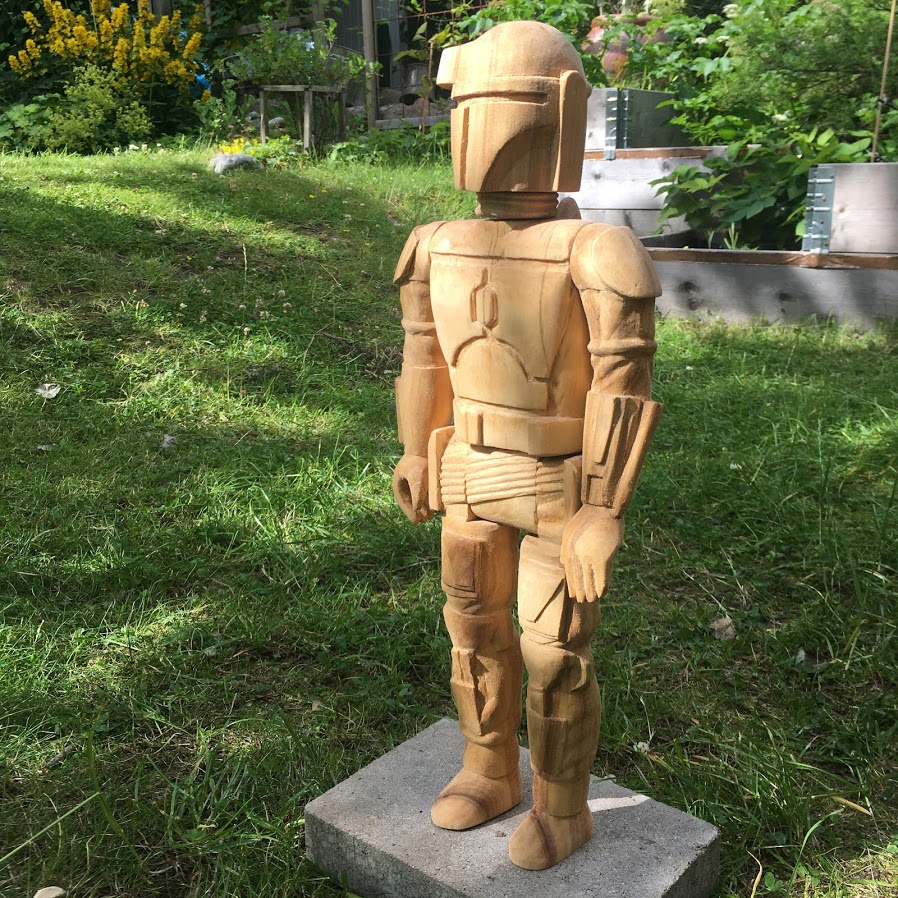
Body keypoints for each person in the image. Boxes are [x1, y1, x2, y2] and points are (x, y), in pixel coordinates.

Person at [392, 19, 662, 870]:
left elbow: (624, 385)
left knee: (554, 654)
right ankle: (487, 769)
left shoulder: (597, 251)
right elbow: (423, 358)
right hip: (465, 469)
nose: (477, 128)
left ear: (562, 113)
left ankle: (561, 808)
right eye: (466, 107)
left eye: (499, 104)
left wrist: (603, 507)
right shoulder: (435, 244)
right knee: (472, 630)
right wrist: (415, 451)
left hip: (556, 483)